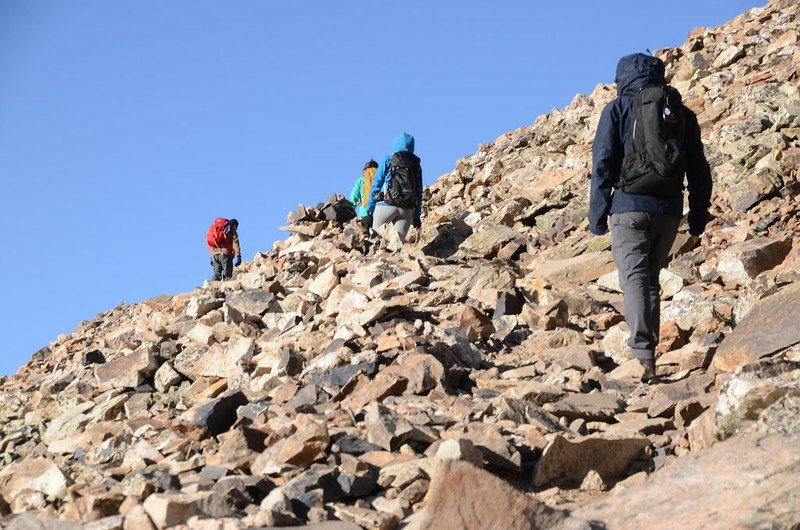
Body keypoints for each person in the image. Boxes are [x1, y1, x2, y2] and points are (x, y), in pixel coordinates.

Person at [589, 53, 712, 381]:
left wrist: (598, 215)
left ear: (623, 79)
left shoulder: (617, 109)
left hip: (628, 208)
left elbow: (602, 162)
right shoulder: (680, 113)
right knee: (651, 279)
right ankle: (648, 353)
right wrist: (698, 215)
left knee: (635, 278)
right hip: (669, 211)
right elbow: (699, 168)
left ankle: (643, 356)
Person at [364, 133, 423, 241]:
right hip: (406, 210)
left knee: (375, 241)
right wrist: (416, 216)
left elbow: (377, 184)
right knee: (396, 245)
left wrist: (369, 210)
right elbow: (419, 191)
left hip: (386, 206)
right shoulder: (416, 165)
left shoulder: (389, 159)